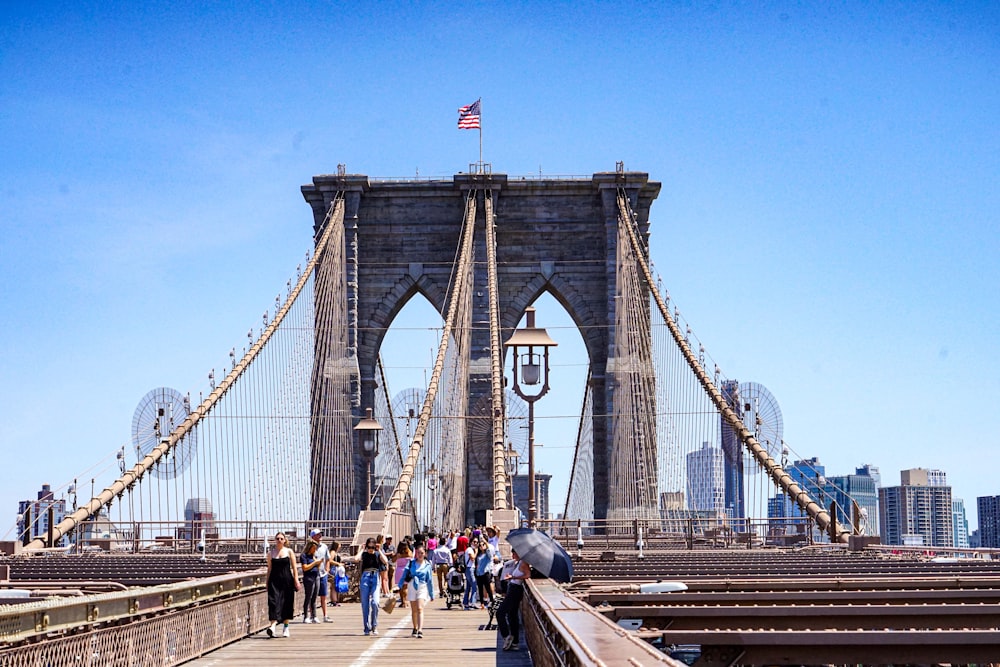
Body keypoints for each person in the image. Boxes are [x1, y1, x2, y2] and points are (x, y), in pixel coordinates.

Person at [265, 532, 300, 638]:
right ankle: (273, 627)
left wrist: (296, 580)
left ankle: (286, 627)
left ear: (285, 540)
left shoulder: (289, 552)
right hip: (274, 581)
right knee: (273, 603)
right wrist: (267, 582)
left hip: (287, 581)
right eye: (277, 538)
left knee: (286, 603)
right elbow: (269, 569)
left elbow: (294, 567)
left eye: (281, 538)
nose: (279, 540)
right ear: (275, 540)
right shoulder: (271, 553)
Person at [353, 536, 389, 636]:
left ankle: (374, 625)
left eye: (372, 547)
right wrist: (361, 549)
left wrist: (380, 550)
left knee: (375, 602)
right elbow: (356, 559)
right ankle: (366, 627)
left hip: (375, 577)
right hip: (365, 577)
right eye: (369, 547)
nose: (371, 549)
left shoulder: (377, 554)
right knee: (365, 604)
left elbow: (385, 561)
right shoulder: (364, 554)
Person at [497, 548, 531, 651]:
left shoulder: (523, 563)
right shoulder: (519, 562)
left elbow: (527, 575)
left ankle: (507, 636)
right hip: (513, 589)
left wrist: (514, 577)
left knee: (500, 613)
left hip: (515, 590)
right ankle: (515, 643)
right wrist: (512, 577)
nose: (512, 555)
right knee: (512, 616)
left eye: (514, 553)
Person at [403, 544, 435, 638]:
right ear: (416, 554)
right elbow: (404, 575)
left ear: (425, 554)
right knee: (414, 610)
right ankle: (415, 627)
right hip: (412, 585)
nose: (420, 555)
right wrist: (399, 585)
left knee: (420, 608)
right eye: (418, 553)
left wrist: (431, 594)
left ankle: (420, 629)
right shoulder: (411, 563)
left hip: (422, 586)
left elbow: (429, 581)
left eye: (422, 553)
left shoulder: (427, 565)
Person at [309, 528, 333, 622]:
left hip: (322, 574)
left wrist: (327, 569)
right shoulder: (310, 547)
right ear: (313, 537)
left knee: (324, 595)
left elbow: (327, 558)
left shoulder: (324, 547)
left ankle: (325, 616)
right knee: (312, 596)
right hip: (313, 574)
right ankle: (312, 616)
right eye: (318, 535)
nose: (320, 536)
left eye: (320, 534)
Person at [300, 536, 321, 623]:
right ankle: (306, 616)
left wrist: (318, 563)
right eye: (313, 548)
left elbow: (317, 567)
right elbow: (305, 568)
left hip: (316, 576)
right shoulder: (304, 556)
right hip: (308, 578)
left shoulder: (314, 556)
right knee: (308, 596)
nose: (315, 550)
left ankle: (314, 616)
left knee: (314, 597)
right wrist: (315, 563)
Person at [474, 539, 495, 609]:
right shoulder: (479, 555)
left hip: (485, 572)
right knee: (480, 588)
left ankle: (492, 601)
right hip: (479, 573)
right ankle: (482, 603)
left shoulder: (487, 554)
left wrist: (486, 543)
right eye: (480, 545)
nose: (481, 546)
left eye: (482, 545)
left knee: (487, 587)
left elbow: (490, 554)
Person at [393, 539, 413, 608]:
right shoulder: (409, 552)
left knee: (401, 587)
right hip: (406, 570)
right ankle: (405, 602)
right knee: (405, 587)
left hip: (399, 571)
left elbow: (393, 560)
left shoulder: (398, 554)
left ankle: (402, 601)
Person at [329, 540, 344, 607]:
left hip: (337, 569)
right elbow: (330, 560)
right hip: (333, 569)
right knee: (334, 586)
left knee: (336, 585)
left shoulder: (336, 552)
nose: (340, 546)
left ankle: (335, 600)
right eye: (339, 545)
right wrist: (338, 563)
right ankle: (334, 601)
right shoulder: (332, 552)